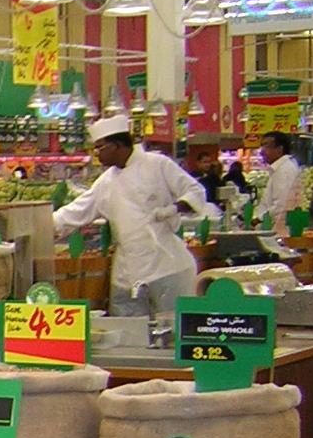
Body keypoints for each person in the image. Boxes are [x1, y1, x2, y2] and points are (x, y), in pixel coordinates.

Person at [52, 115, 215, 317]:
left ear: (117, 145)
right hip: (127, 272)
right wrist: (42, 223)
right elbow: (76, 211)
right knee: (129, 330)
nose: (96, 154)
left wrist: (174, 208)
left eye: (100, 148)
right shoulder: (106, 182)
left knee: (172, 326)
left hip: (166, 265)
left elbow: (195, 191)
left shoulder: (157, 164)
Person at [255, 132, 302, 227]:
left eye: (267, 146)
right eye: (262, 146)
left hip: (278, 227)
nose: (262, 151)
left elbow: (281, 205)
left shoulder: (284, 170)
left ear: (280, 149)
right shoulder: (279, 169)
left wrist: (258, 219)